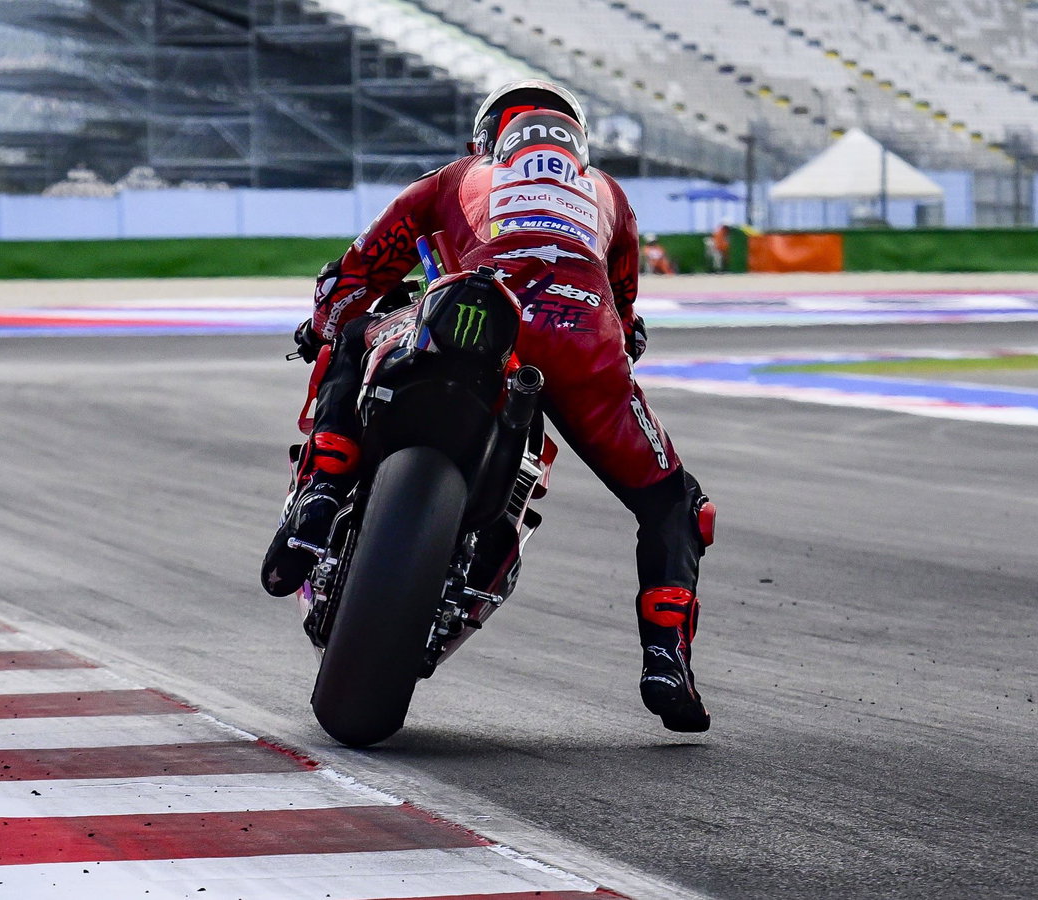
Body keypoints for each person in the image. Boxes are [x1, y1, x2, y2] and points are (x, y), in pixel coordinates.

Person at [260, 80, 714, 732]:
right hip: (582, 337)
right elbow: (626, 317)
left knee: (355, 337)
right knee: (675, 503)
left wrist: (322, 327)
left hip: (476, 313)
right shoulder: (609, 194)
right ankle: (666, 659)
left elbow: (353, 275)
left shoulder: (458, 176)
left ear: (488, 139)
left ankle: (322, 489)